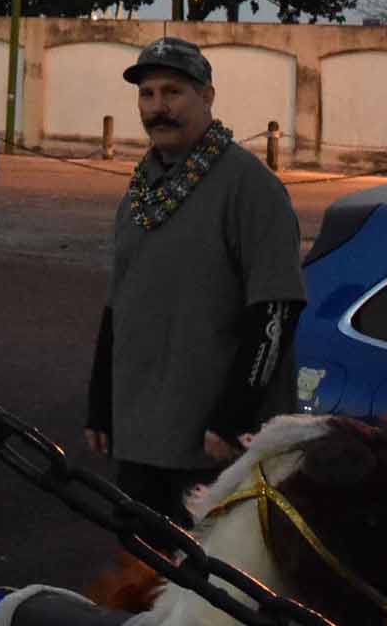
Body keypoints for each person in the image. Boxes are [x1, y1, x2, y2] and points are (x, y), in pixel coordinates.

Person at [83, 36, 304, 519]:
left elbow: (277, 309)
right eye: (147, 94)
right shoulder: (142, 191)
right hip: (140, 436)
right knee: (143, 576)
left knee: (208, 585)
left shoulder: (250, 187)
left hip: (211, 449)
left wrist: (234, 419)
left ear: (206, 96)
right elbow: (119, 301)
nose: (158, 107)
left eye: (173, 92)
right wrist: (101, 401)